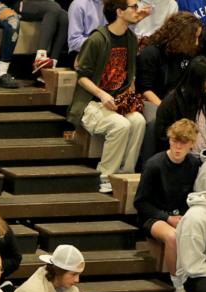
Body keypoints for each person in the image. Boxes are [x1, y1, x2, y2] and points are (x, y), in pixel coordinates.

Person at [69, 0, 145, 194]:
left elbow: (129, 74)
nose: (137, 10)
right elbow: (81, 76)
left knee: (138, 121)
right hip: (91, 103)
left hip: (117, 101)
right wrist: (102, 94)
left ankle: (124, 175)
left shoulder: (131, 38)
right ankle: (104, 176)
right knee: (121, 125)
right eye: (133, 7)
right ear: (120, 12)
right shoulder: (97, 39)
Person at [136, 120, 202, 292]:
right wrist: (167, 218)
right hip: (153, 217)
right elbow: (140, 202)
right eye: (174, 141)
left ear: (192, 144)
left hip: (182, 216)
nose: (178, 147)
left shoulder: (194, 164)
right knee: (173, 237)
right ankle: (178, 286)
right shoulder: (154, 164)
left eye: (183, 142)